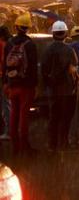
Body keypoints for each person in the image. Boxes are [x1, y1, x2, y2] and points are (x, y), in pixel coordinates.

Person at [3, 13, 38, 155]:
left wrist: (5, 82)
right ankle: (25, 147)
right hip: (26, 86)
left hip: (12, 84)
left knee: (13, 115)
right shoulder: (30, 44)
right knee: (24, 117)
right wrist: (35, 85)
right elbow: (33, 68)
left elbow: (4, 65)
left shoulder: (9, 43)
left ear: (16, 27)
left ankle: (14, 147)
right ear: (28, 28)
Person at [41, 21, 78, 151]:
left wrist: (48, 84)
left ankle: (52, 144)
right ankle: (64, 142)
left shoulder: (47, 49)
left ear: (53, 34)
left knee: (53, 117)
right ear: (65, 34)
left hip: (53, 90)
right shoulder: (69, 50)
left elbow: (44, 70)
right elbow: (74, 70)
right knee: (66, 118)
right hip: (67, 90)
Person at [0, 26, 11, 140]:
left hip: (3, 78)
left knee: (5, 104)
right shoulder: (10, 43)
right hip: (8, 77)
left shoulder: (2, 44)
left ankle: (8, 131)